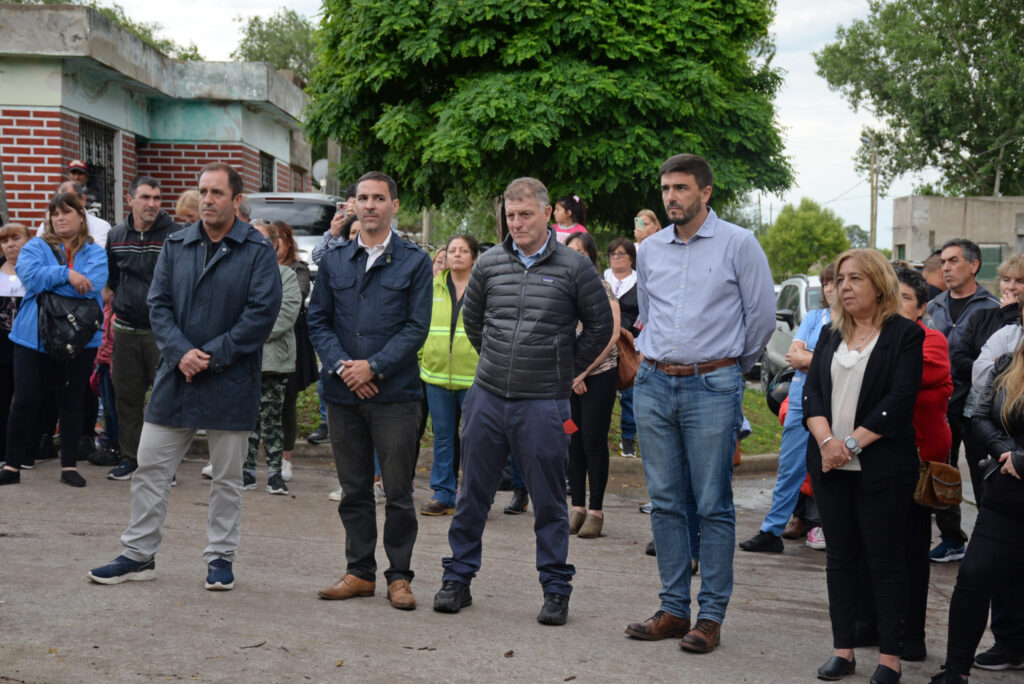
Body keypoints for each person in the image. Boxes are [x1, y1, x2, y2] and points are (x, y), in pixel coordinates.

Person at [87, 162, 282, 590]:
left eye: (217, 193)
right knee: (151, 465)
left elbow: (261, 314)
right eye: (203, 192)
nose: (208, 200)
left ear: (236, 199)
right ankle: (138, 553)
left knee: (228, 479)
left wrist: (210, 356)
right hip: (178, 374)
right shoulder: (177, 244)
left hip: (229, 377)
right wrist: (181, 353)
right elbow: (158, 304)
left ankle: (220, 558)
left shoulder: (256, 249)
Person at [433, 177, 613, 626]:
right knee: (472, 494)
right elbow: (474, 322)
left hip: (544, 404)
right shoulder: (490, 263)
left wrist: (565, 368)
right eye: (510, 216)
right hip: (488, 397)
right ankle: (458, 579)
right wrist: (498, 360)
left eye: (525, 215)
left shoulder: (574, 267)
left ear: (548, 214)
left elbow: (599, 329)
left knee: (550, 501)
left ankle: (555, 588)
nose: (517, 223)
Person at [624, 154, 774, 652]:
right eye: (666, 188)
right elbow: (648, 313)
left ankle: (710, 616)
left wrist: (725, 368)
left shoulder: (739, 243)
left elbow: (761, 322)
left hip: (712, 386)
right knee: (665, 502)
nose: (671, 197)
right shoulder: (650, 251)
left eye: (682, 188)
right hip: (652, 383)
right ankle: (672, 609)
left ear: (705, 192)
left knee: (712, 505)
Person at [307, 171, 432, 611]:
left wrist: (373, 367)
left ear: (394, 206)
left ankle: (399, 577)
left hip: (395, 395)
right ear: (353, 205)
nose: (371, 205)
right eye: (363, 198)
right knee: (354, 489)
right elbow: (318, 320)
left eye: (379, 198)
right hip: (343, 395)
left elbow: (416, 328)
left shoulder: (415, 261)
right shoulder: (336, 259)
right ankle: (359, 572)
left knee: (397, 492)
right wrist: (346, 369)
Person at [802, 248, 923, 684]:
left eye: (855, 279)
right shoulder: (832, 334)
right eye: (841, 279)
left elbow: (899, 400)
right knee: (840, 559)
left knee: (886, 561)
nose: (844, 287)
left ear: (878, 284)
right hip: (830, 465)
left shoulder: (904, 335)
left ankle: (890, 658)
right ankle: (843, 650)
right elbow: (811, 394)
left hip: (880, 467)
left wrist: (848, 444)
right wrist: (827, 442)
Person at [930, 340, 1024, 683]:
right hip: (1007, 490)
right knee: (973, 575)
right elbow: (981, 416)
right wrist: (1007, 453)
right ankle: (956, 672)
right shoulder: (1008, 364)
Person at [0, 193, 107, 486]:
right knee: (24, 401)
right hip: (31, 338)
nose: (59, 218)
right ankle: (11, 466)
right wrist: (68, 275)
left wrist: (58, 283)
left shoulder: (94, 251)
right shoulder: (35, 246)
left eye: (66, 212)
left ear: (81, 216)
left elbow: (93, 285)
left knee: (71, 402)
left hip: (80, 339)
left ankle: (69, 466)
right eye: (55, 213)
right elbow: (30, 278)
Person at [740, 263, 836, 553]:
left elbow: (846, 360)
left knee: (834, 466)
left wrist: (811, 359)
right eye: (827, 283)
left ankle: (833, 528)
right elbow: (794, 356)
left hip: (836, 402)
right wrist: (821, 359)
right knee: (790, 467)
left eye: (837, 282)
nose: (832, 288)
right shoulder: (816, 317)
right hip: (801, 399)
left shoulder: (856, 321)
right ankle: (771, 531)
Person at [103, 176, 180, 482]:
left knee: (165, 400)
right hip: (125, 330)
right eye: (145, 197)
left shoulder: (176, 236)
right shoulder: (116, 235)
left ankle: (165, 465)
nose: (152, 204)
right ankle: (130, 459)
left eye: (157, 198)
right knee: (127, 399)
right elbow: (112, 279)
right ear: (130, 200)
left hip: (162, 333)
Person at [927, 239, 999, 563]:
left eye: (953, 261)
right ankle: (952, 539)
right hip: (941, 405)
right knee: (943, 473)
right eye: (943, 261)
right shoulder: (933, 306)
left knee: (984, 473)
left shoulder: (992, 308)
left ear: (974, 265)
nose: (946, 267)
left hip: (980, 407)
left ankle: (990, 542)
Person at [419, 234, 480, 516]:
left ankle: (472, 496)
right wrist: (423, 358)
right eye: (452, 250)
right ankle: (443, 494)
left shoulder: (484, 289)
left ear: (474, 258)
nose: (456, 255)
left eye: (463, 250)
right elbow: (419, 326)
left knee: (473, 439)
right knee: (443, 437)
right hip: (436, 376)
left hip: (474, 379)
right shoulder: (431, 288)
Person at [565, 231, 619, 538]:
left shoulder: (602, 287)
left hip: (599, 375)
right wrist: (571, 376)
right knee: (573, 442)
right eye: (571, 252)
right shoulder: (560, 287)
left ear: (591, 258)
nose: (576, 257)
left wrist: (583, 373)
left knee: (594, 442)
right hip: (569, 379)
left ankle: (596, 511)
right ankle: (577, 508)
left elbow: (610, 333)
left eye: (582, 253)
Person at [242, 220, 300, 495]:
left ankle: (275, 473)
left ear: (275, 244)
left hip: (274, 361)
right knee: (247, 417)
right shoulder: (238, 273)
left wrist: (248, 334)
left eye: (265, 239)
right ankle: (247, 470)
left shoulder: (286, 276)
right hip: (244, 359)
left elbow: (286, 314)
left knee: (273, 419)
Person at [272, 220, 317, 483]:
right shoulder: (254, 266)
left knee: (287, 402)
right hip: (259, 342)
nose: (274, 245)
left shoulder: (299, 269)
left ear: (288, 242)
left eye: (278, 239)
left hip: (292, 341)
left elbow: (296, 296)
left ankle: (285, 459)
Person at [0, 223, 31, 468]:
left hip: (27, 345)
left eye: (16, 238)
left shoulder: (33, 271)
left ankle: (25, 452)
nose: (10, 244)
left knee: (26, 399)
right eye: (5, 240)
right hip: (1, 346)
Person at [605, 237, 639, 457]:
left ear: (631, 258)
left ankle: (628, 440)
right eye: (613, 254)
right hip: (603, 345)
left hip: (630, 344)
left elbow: (644, 313)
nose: (616, 257)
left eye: (621, 253)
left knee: (629, 394)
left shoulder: (639, 282)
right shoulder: (601, 280)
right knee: (603, 395)